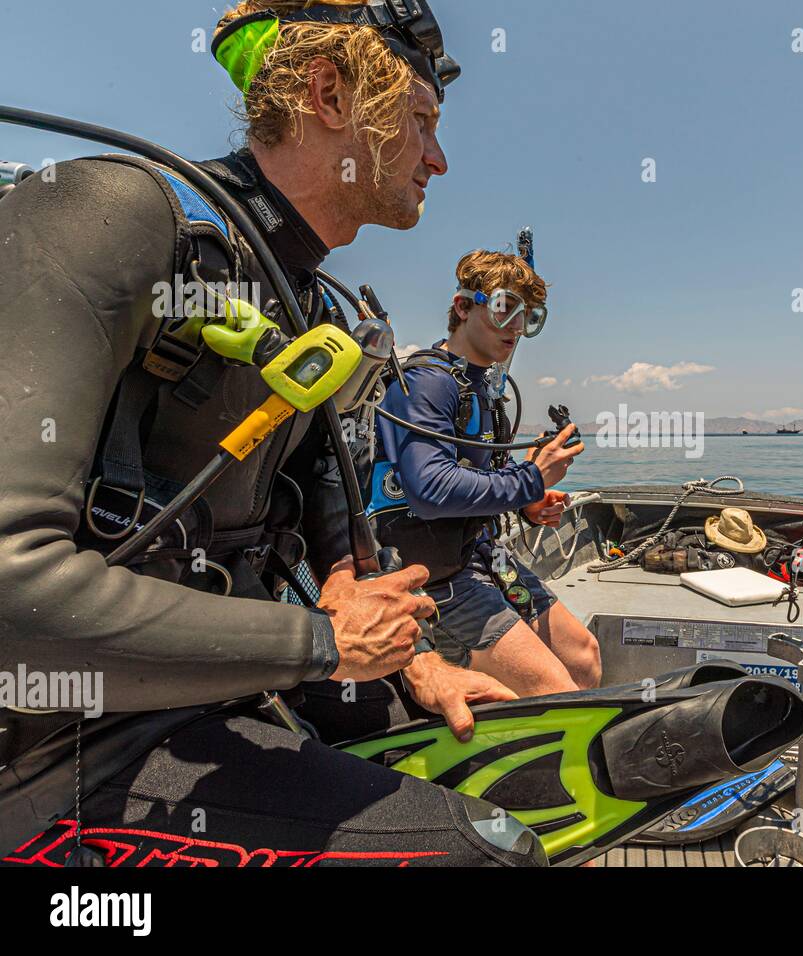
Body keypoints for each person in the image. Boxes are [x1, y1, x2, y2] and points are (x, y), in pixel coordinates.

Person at [0, 1, 546, 867]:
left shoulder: (314, 305)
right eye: (420, 121)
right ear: (330, 95)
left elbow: (328, 537)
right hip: (57, 745)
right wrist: (323, 647)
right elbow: (11, 597)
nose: (438, 158)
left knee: (507, 769)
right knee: (484, 853)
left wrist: (414, 665)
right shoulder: (107, 217)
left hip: (222, 682)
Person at [370, 250, 602, 696]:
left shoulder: (482, 387)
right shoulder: (427, 383)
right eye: (503, 308)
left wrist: (529, 503)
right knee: (555, 691)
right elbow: (430, 489)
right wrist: (531, 480)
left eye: (529, 317)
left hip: (482, 556)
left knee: (583, 658)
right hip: (433, 576)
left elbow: (479, 472)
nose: (516, 326)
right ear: (463, 307)